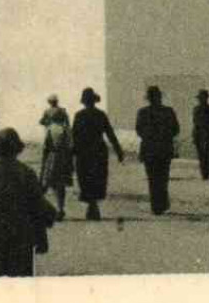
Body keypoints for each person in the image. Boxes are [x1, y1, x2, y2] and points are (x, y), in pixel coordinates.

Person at [0, 128, 56, 278]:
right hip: (21, 238)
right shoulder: (27, 173)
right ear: (17, 149)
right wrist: (41, 239)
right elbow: (37, 208)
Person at [70, 87, 124, 221]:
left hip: (83, 152)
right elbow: (110, 133)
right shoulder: (101, 115)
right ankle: (94, 206)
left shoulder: (79, 115)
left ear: (84, 102)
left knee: (85, 179)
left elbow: (74, 136)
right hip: (98, 151)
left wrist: (72, 153)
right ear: (94, 101)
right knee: (98, 178)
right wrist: (118, 150)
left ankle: (91, 206)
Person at [135, 85, 181, 215]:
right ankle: (162, 203)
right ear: (159, 97)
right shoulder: (168, 111)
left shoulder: (142, 112)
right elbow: (176, 129)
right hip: (164, 149)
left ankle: (156, 206)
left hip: (149, 149)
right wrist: (165, 136)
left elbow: (139, 130)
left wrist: (150, 136)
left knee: (153, 178)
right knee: (163, 178)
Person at [40, 109, 74, 219]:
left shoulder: (50, 129)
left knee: (51, 183)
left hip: (53, 157)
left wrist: (44, 162)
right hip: (64, 158)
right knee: (61, 184)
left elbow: (46, 146)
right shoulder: (66, 129)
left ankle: (52, 209)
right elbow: (70, 146)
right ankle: (60, 208)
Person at [191, 90, 209, 181]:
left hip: (208, 134)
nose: (201, 100)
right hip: (199, 134)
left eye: (203, 98)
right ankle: (203, 172)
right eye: (200, 98)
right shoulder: (196, 109)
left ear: (206, 98)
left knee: (207, 153)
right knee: (201, 154)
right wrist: (194, 135)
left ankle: (206, 172)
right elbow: (195, 123)